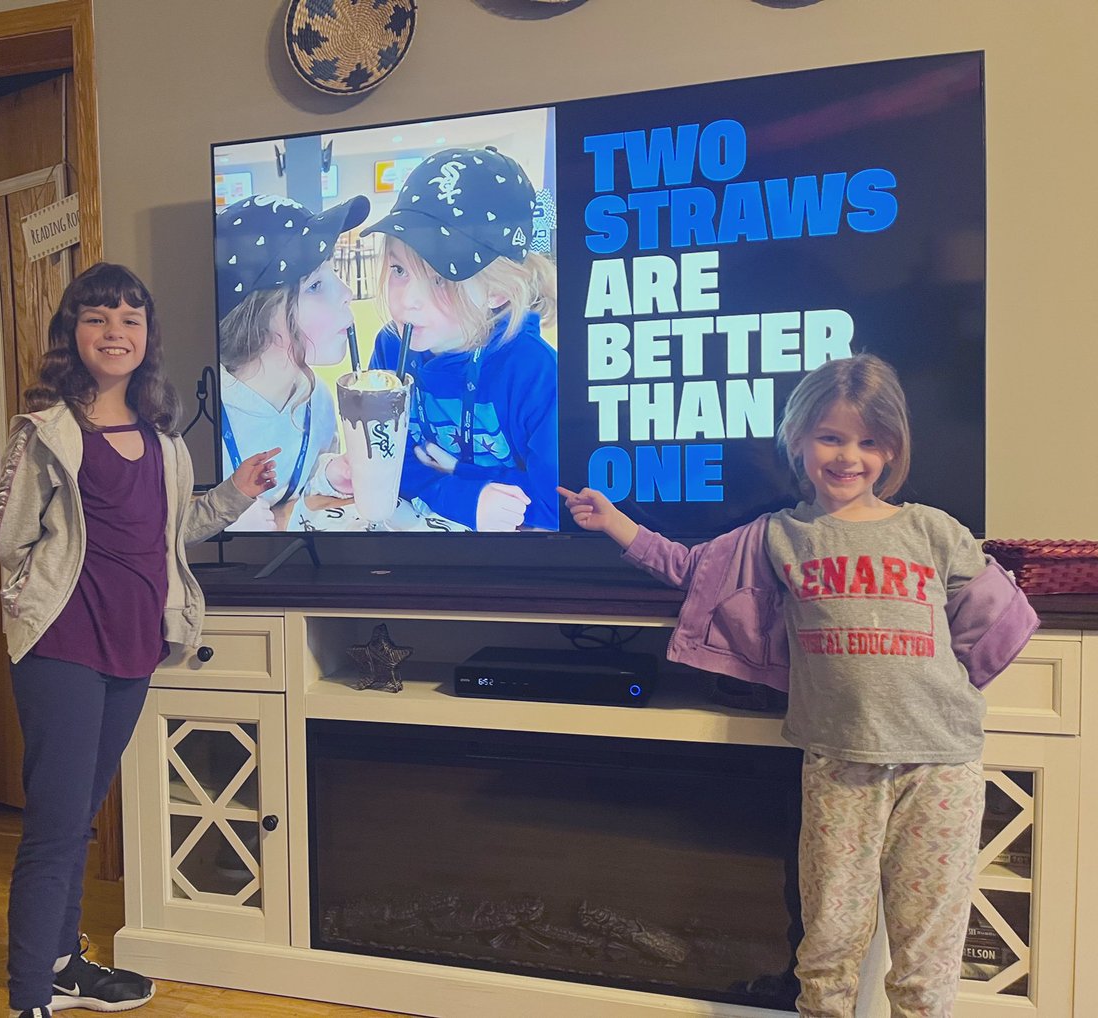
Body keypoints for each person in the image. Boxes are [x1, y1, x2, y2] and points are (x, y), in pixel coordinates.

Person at [560, 353, 1038, 1017]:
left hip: (942, 766)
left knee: (927, 952)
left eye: (870, 442)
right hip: (839, 763)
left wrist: (945, 687)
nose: (850, 457)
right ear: (798, 439)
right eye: (832, 438)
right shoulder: (781, 536)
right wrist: (616, 524)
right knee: (830, 941)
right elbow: (693, 568)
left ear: (893, 450)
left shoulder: (931, 530)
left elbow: (995, 619)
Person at [0, 262, 279, 1018]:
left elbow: (179, 530)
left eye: (129, 319)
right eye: (96, 317)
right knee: (54, 826)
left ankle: (59, 965)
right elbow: (4, 537)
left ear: (147, 339)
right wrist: (36, 603)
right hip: (63, 652)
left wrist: (235, 497)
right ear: (72, 334)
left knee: (79, 815)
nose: (115, 331)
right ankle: (28, 1000)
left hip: (134, 648)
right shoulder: (46, 432)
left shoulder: (162, 439)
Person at [350, 145, 559, 531]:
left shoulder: (534, 371)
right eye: (398, 269)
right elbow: (381, 463)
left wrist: (461, 473)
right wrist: (458, 493)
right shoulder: (391, 348)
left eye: (441, 277)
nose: (406, 301)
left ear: (498, 291)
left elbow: (559, 503)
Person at [215, 192, 369, 531]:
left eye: (335, 274)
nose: (348, 292)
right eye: (315, 285)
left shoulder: (318, 398)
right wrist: (216, 519)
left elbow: (303, 488)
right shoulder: (204, 415)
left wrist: (329, 475)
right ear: (256, 313)